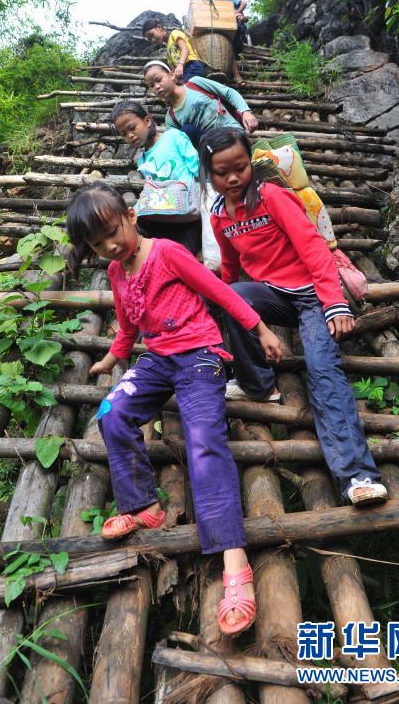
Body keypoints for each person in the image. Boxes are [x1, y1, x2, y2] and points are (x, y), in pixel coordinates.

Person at [64, 181, 284, 635]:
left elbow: (222, 293)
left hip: (201, 355)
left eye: (112, 232)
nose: (110, 246)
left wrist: (261, 329)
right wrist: (111, 358)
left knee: (204, 442)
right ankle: (143, 505)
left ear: (130, 216)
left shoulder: (167, 252)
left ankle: (234, 562)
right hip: (158, 359)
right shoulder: (117, 272)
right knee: (111, 414)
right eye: (97, 243)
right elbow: (128, 327)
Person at [200, 127, 389, 507]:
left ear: (250, 163)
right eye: (222, 172)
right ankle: (257, 385)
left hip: (313, 296)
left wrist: (334, 302)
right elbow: (231, 269)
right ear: (209, 174)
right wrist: (225, 314)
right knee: (231, 296)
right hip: (275, 296)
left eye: (240, 167)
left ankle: (358, 475)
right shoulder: (220, 215)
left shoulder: (272, 196)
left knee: (323, 371)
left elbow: (313, 247)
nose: (233, 178)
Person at [110, 100, 201, 257]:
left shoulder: (174, 136)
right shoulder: (142, 160)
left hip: (187, 215)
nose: (130, 136)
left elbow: (196, 165)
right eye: (123, 134)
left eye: (132, 128)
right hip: (161, 218)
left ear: (147, 121)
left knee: (183, 256)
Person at [142, 61, 257, 149]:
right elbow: (179, 146)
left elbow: (228, 92)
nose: (157, 87)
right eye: (151, 85)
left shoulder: (195, 84)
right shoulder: (171, 118)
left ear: (171, 75)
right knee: (187, 131)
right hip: (214, 149)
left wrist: (246, 112)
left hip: (235, 135)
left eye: (159, 79)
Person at [142, 18, 207, 83]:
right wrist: (173, 77)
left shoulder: (174, 34)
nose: (153, 40)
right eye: (150, 39)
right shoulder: (168, 53)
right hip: (185, 72)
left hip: (192, 66)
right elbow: (174, 69)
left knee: (186, 87)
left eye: (152, 35)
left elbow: (185, 49)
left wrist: (180, 64)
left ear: (159, 27)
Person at [209, 0, 248, 84]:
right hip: (228, 31)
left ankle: (236, 75)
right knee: (229, 46)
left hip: (237, 27)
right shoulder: (217, 6)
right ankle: (236, 75)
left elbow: (243, 4)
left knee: (239, 20)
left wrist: (236, 13)